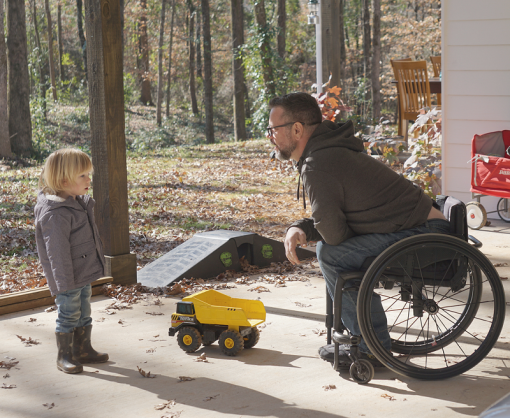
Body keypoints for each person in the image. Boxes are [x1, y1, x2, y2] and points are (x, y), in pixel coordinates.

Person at [267, 92, 451, 368]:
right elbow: (335, 219)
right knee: (332, 251)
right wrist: (301, 227)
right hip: (420, 227)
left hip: (424, 236)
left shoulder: (319, 162)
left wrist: (310, 230)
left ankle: (371, 348)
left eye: (273, 129)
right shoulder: (325, 152)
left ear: (296, 129)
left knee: (331, 254)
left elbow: (335, 234)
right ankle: (362, 339)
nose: (270, 136)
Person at [34, 148, 109, 374]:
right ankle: (64, 355)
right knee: (68, 314)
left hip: (82, 271)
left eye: (89, 174)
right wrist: (63, 282)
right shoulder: (55, 213)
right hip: (67, 276)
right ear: (64, 180)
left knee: (83, 310)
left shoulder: (77, 202)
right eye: (83, 176)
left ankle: (83, 348)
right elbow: (57, 253)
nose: (89, 180)